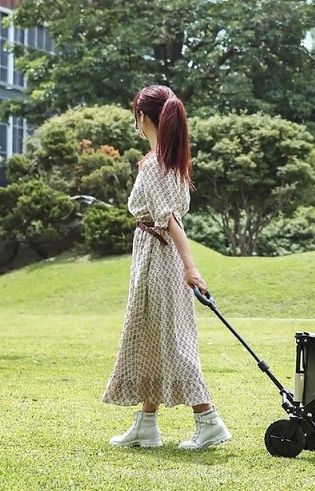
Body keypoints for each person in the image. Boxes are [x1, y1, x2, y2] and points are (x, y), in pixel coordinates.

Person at [101, 85, 231, 450]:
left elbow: (169, 218)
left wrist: (192, 268)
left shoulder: (156, 165)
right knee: (151, 337)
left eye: (135, 117)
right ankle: (146, 424)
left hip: (158, 257)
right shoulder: (168, 162)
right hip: (157, 255)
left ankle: (209, 420)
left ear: (142, 117)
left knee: (171, 341)